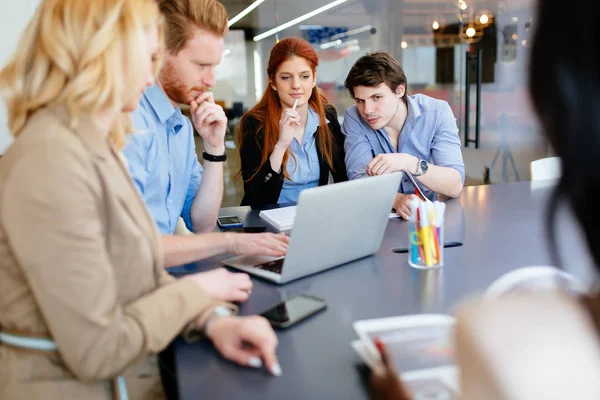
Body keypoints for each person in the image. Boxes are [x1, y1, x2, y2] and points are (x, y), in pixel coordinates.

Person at [0, 1, 280, 399]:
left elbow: (134, 267)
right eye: (146, 58)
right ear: (101, 59)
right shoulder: (50, 161)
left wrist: (212, 320)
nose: (151, 78)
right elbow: (98, 349)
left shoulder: (90, 145)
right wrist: (202, 291)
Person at [370, 0, 600, 398]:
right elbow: (362, 175)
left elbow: (455, 183)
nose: (368, 108)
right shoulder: (358, 121)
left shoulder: (498, 339)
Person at [122, 0, 289, 269]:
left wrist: (214, 147)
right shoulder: (129, 122)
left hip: (162, 276)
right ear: (159, 54)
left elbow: (202, 223)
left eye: (215, 66)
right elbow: (133, 249)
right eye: (201, 65)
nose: (211, 80)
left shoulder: (181, 128)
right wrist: (230, 243)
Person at [342, 52, 464, 220]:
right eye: (360, 100)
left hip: (431, 219)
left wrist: (409, 162)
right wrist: (397, 200)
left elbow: (455, 185)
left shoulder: (437, 112)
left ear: (400, 90)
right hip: (379, 217)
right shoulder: (354, 116)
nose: (367, 110)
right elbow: (359, 180)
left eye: (376, 97)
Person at [237, 37, 347, 208]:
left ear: (313, 79)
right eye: (286, 77)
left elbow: (343, 175)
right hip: (271, 219)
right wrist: (281, 145)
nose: (296, 85)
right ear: (273, 82)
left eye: (304, 76)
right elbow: (256, 196)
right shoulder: (255, 123)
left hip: (315, 214)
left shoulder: (327, 116)